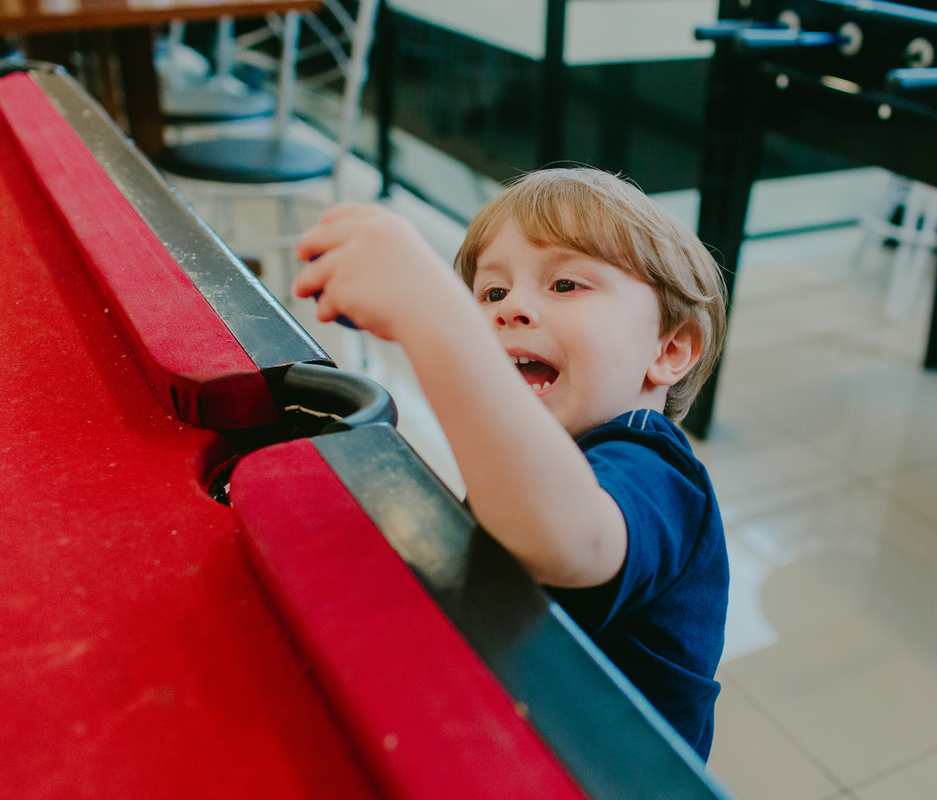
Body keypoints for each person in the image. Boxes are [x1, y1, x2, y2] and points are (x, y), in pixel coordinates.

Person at [293, 168, 729, 758]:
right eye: (491, 293)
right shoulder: (531, 458)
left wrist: (431, 311)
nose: (512, 308)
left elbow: (566, 540)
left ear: (669, 349)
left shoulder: (657, 469)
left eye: (566, 284)